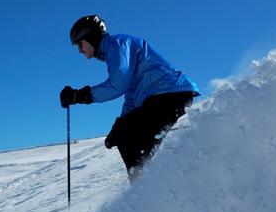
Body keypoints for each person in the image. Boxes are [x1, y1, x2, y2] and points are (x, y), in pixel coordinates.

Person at [60, 15, 200, 182]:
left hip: (168, 94)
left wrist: (80, 95)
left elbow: (117, 85)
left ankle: (145, 191)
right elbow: (131, 94)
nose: (80, 50)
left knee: (128, 136)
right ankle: (151, 189)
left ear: (90, 37)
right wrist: (118, 126)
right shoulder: (115, 51)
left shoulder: (117, 45)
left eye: (80, 44)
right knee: (126, 134)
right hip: (165, 96)